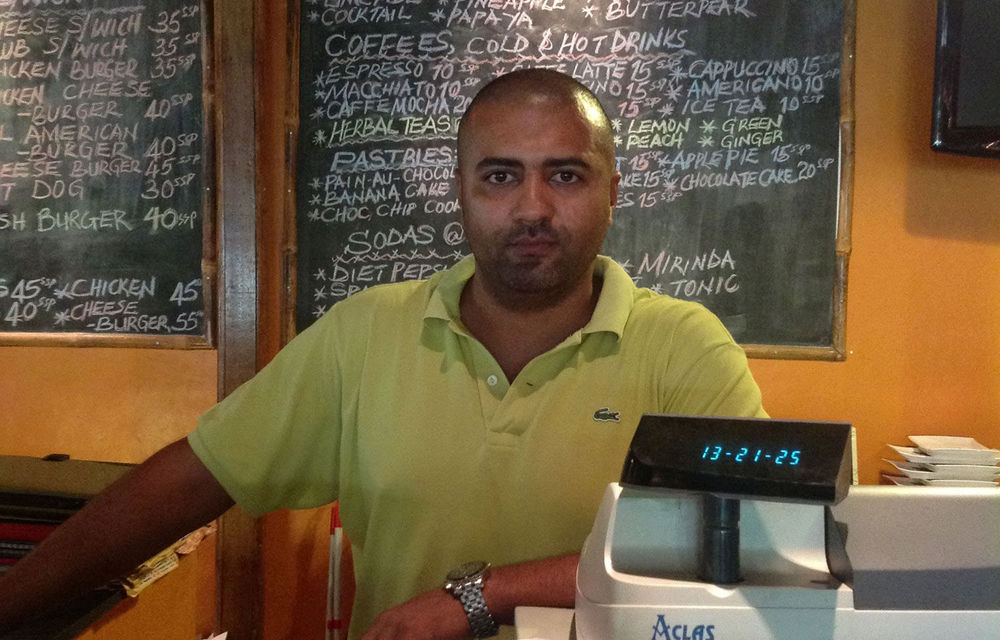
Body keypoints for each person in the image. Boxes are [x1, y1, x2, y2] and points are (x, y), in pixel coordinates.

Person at [0, 69, 765, 639]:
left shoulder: (685, 349)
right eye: (501, 176)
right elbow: (197, 477)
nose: (533, 207)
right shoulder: (366, 333)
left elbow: (743, 538)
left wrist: (485, 594)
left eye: (566, 175)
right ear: (460, 191)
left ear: (613, 193)